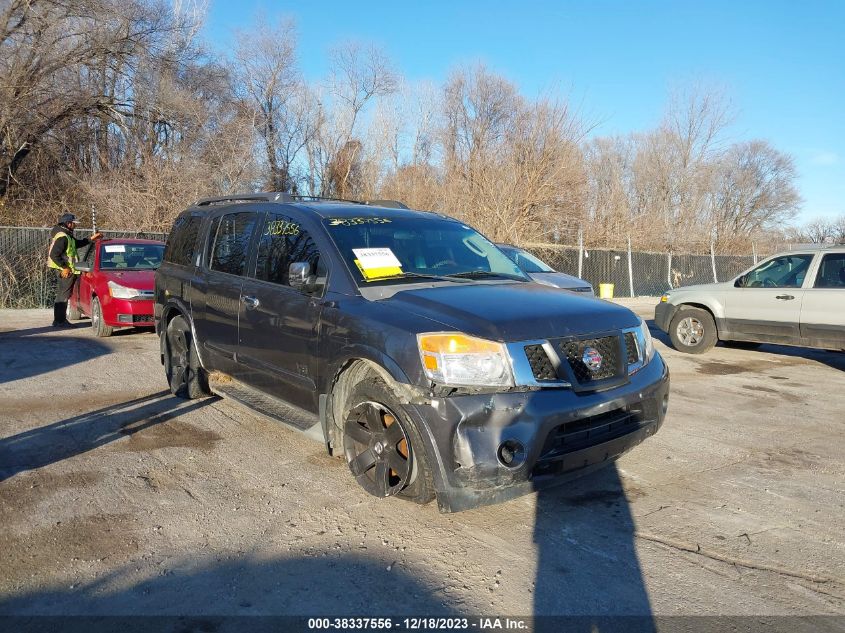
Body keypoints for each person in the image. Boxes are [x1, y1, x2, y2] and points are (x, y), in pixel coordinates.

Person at [46, 213, 103, 327]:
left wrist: (90, 239)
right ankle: (60, 321)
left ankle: (59, 321)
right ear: (68, 223)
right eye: (73, 223)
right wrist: (65, 267)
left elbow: (76, 244)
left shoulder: (66, 235)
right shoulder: (62, 236)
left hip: (67, 270)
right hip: (65, 271)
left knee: (63, 295)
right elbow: (54, 255)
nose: (75, 226)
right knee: (63, 296)